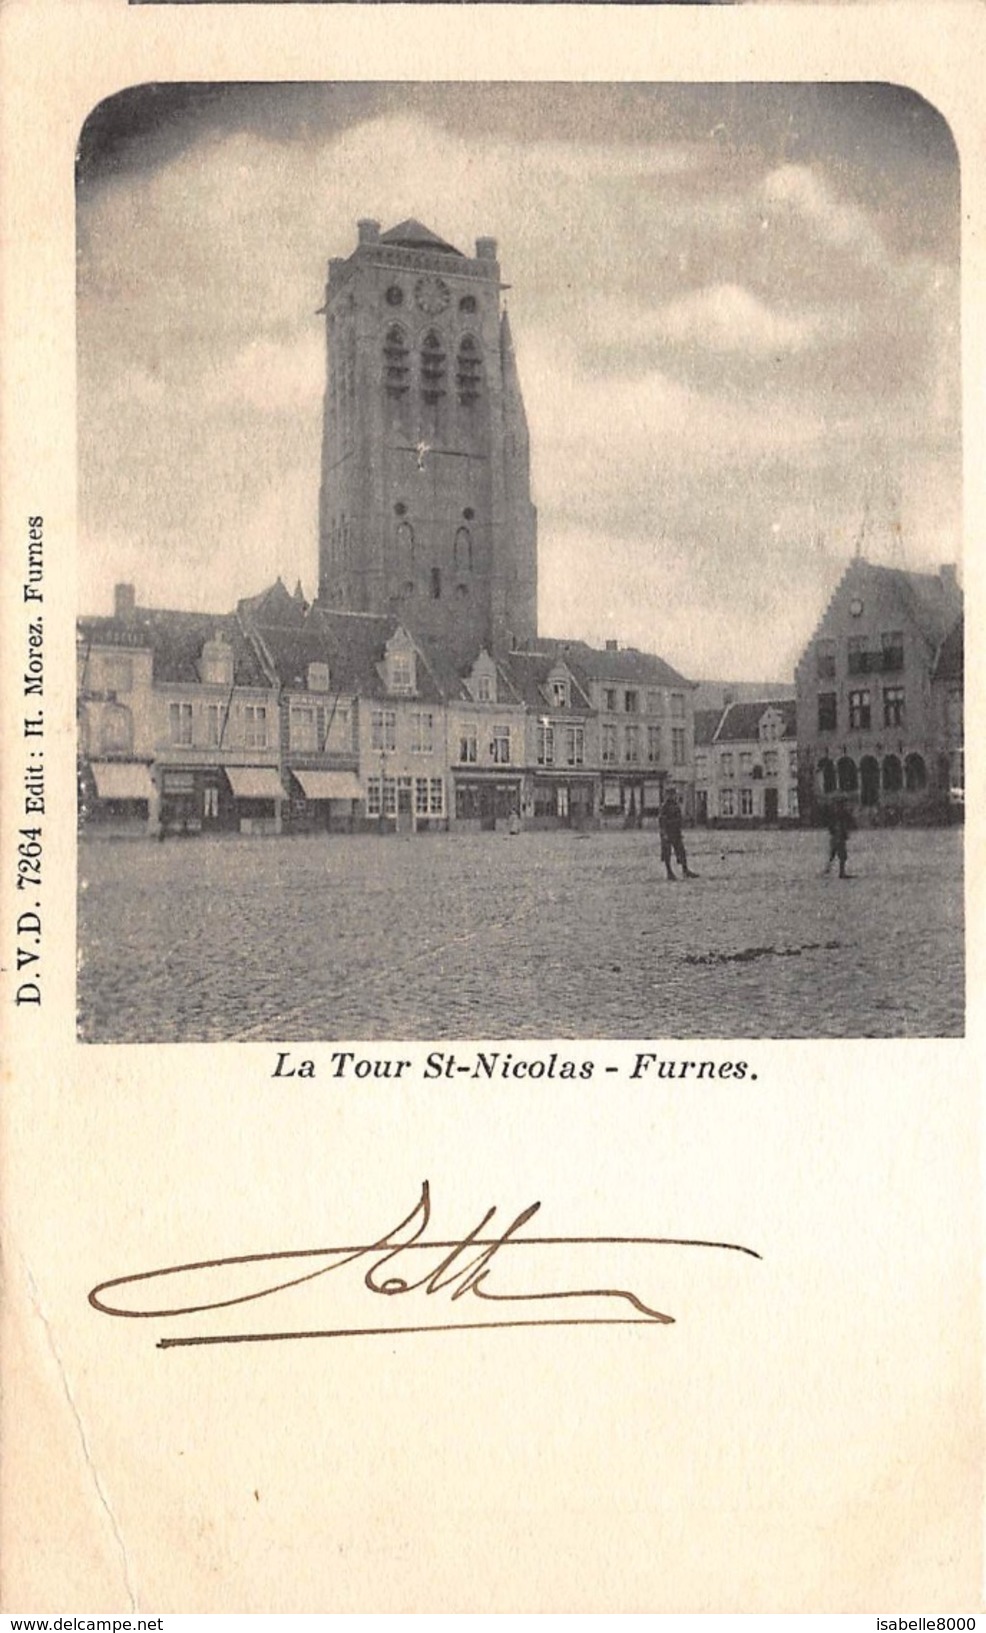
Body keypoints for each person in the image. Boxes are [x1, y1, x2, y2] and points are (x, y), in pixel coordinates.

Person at [658, 786, 698, 881]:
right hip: (667, 833)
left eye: (673, 794)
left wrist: (680, 830)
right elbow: (661, 821)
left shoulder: (676, 805)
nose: (672, 796)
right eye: (670, 795)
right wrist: (664, 834)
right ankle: (669, 872)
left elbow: (679, 819)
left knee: (681, 851)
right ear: (666, 795)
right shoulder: (664, 807)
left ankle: (685, 870)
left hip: (676, 832)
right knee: (667, 854)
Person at [823, 798, 855, 878]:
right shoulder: (842, 814)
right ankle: (841, 873)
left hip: (835, 837)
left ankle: (827, 870)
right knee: (842, 856)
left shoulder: (834, 814)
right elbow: (847, 824)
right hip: (839, 837)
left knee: (832, 854)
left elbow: (830, 826)